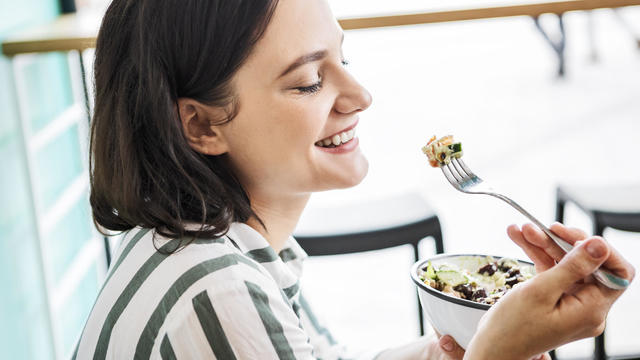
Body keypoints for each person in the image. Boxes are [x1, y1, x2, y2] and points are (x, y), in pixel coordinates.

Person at [74, 0, 635, 358]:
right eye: (310, 80)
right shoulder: (213, 292)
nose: (362, 96)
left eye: (345, 58)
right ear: (199, 124)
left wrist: (471, 343)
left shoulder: (213, 245)